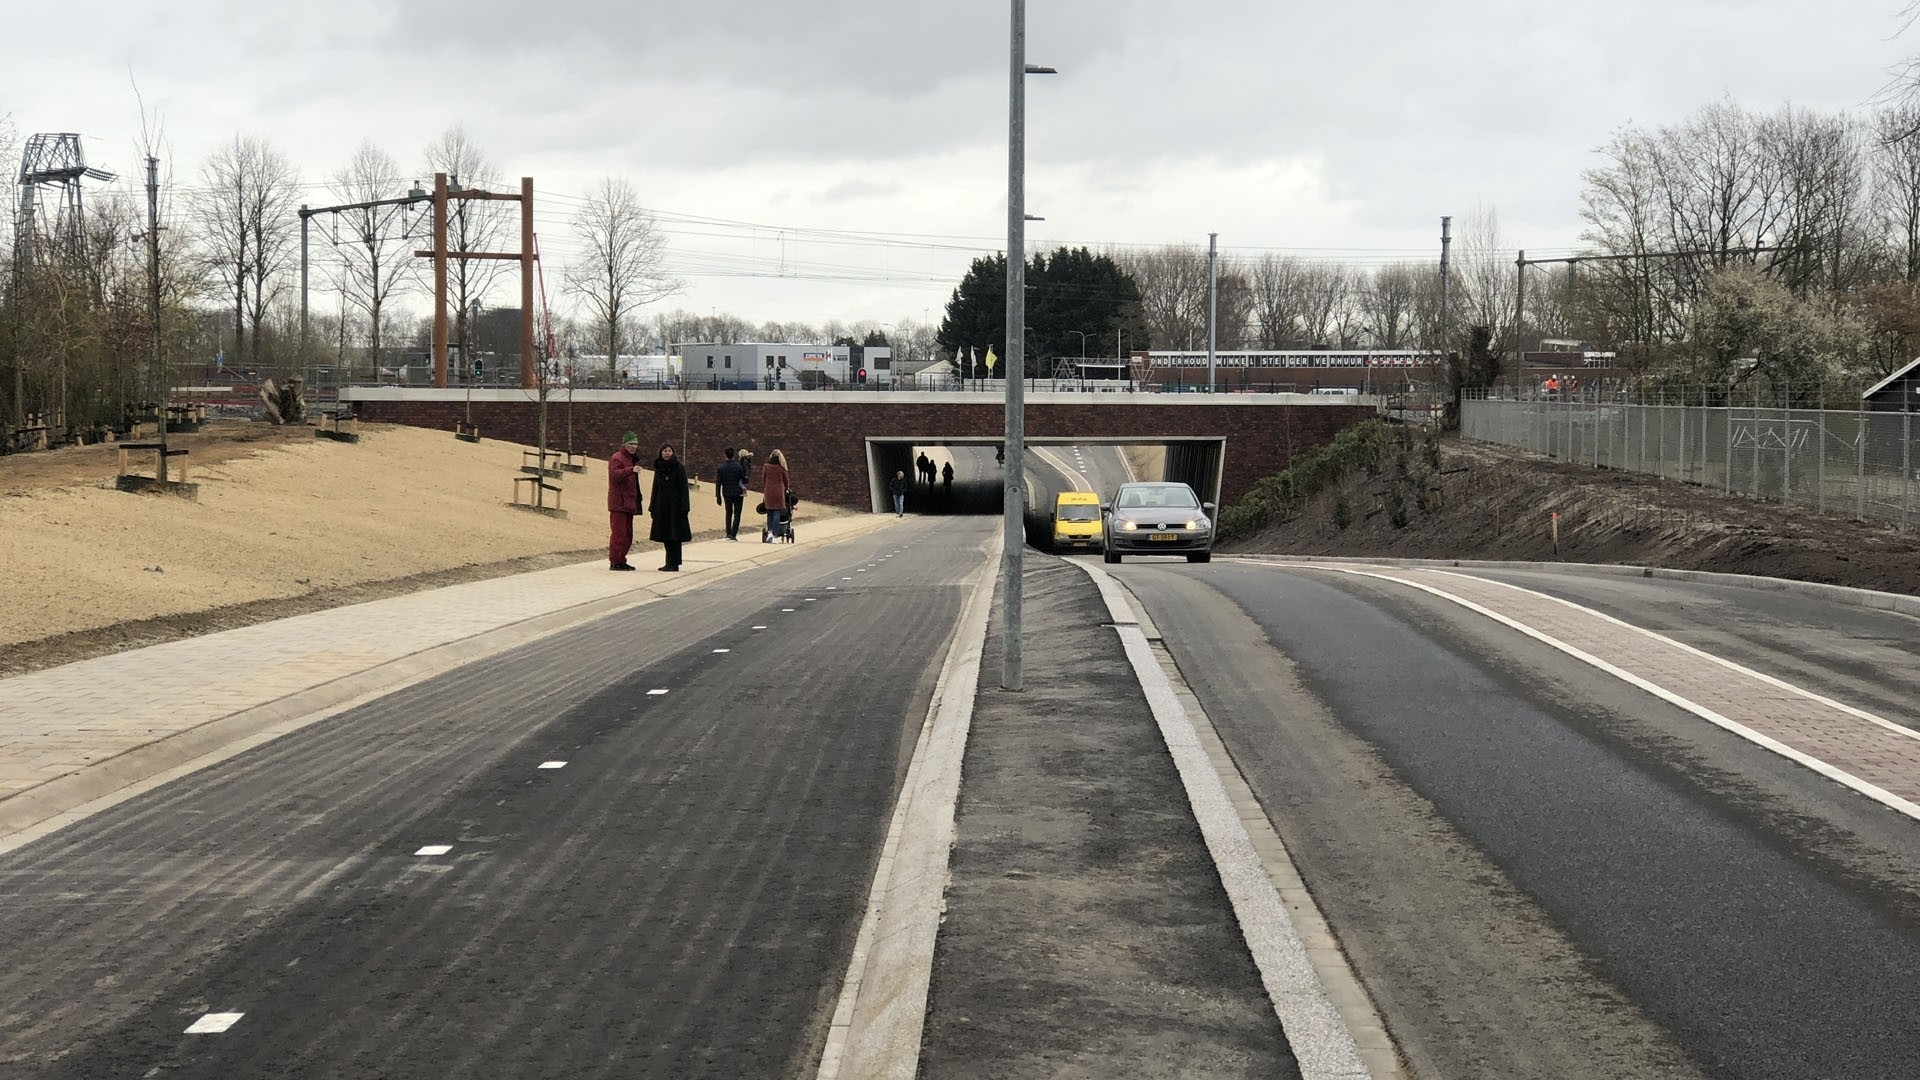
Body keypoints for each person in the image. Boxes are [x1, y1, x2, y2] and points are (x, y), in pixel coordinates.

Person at [649, 442, 692, 571]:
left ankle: (674, 563)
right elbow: (655, 488)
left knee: (675, 536)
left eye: (669, 451)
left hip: (676, 507)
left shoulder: (679, 468)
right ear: (661, 453)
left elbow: (684, 488)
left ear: (673, 453)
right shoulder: (659, 467)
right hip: (662, 506)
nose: (667, 453)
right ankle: (669, 562)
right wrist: (652, 506)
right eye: (665, 451)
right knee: (665, 535)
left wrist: (685, 506)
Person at [607, 432, 644, 571]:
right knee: (619, 533)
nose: (634, 446)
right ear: (624, 444)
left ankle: (622, 559)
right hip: (619, 503)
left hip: (628, 502)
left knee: (628, 534)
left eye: (635, 444)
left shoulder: (631, 459)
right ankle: (615, 561)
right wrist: (630, 470)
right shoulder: (617, 458)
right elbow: (614, 475)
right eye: (631, 444)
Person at [715, 447, 748, 541]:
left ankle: (728, 531)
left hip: (727, 492)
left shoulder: (721, 467)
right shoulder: (738, 467)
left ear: (725, 455)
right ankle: (733, 533)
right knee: (737, 513)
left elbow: (718, 482)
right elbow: (744, 480)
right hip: (738, 492)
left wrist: (718, 496)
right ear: (734, 455)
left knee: (728, 512)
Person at [761, 449, 791, 543]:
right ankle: (774, 535)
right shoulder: (782, 467)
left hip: (768, 491)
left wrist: (766, 487)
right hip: (779, 491)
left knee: (769, 512)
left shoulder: (766, 466)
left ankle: (769, 532)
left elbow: (764, 479)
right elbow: (786, 480)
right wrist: (786, 488)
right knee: (776, 513)